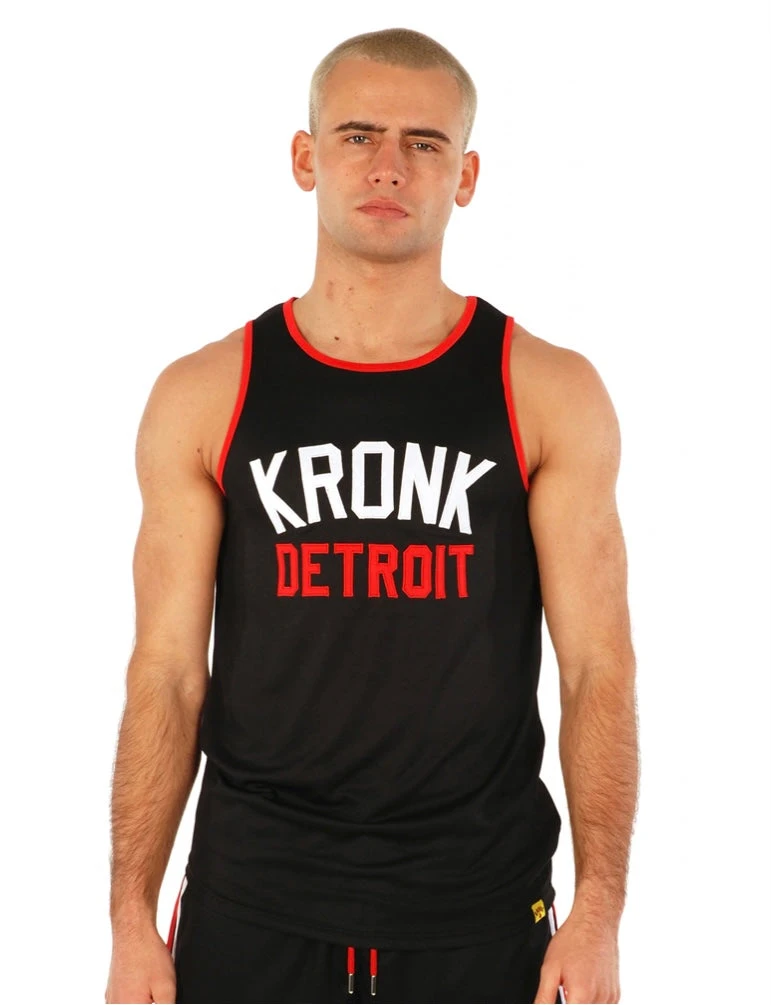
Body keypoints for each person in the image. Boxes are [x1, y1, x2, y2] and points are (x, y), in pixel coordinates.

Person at [105, 26, 637, 1005]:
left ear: (465, 175)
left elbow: (597, 667)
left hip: (478, 903)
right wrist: (130, 919)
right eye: (358, 135)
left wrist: (599, 911)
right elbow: (168, 673)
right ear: (305, 157)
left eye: (423, 143)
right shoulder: (206, 393)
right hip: (252, 901)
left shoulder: (546, 391)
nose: (389, 166)